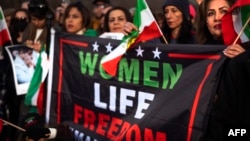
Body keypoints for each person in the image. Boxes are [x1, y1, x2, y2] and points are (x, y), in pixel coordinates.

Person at [124, 0, 195, 44]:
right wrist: (132, 32)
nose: (168, 16)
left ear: (184, 14)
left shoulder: (196, 39)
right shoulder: (158, 38)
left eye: (174, 11)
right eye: (166, 11)